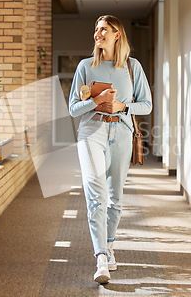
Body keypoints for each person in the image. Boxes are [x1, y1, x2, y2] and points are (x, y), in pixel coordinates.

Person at [68, 15, 152, 284]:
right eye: (96, 29)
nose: (98, 33)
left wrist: (122, 107)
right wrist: (98, 101)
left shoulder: (132, 67)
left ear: (117, 34)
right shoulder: (85, 66)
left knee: (115, 196)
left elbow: (147, 105)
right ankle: (101, 256)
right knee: (96, 193)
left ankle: (110, 243)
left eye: (103, 29)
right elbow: (73, 108)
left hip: (122, 132)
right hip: (91, 132)